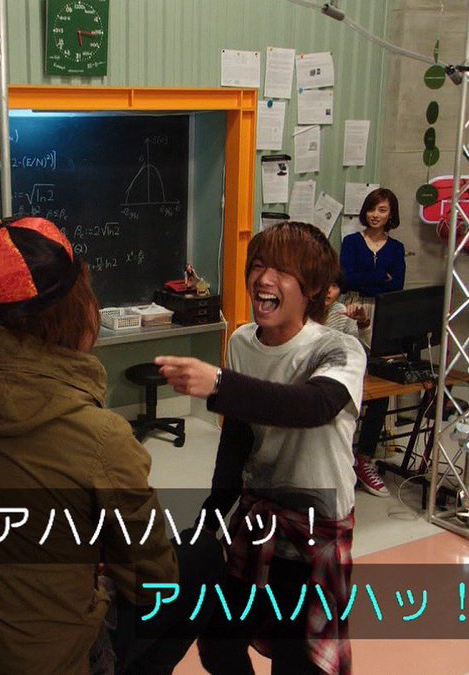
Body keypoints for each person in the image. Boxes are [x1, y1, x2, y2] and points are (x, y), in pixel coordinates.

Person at [0, 216, 221, 675]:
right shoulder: (99, 438)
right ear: (78, 309)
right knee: (201, 555)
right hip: (55, 662)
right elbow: (151, 583)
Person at [156, 221, 366, 674]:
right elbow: (238, 437)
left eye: (283, 271)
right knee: (218, 642)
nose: (264, 279)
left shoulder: (339, 349)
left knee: (297, 661)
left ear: (313, 287)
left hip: (315, 526)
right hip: (256, 517)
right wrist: (211, 518)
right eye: (258, 266)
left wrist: (220, 384)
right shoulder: (242, 342)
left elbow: (313, 405)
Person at [339, 187, 405, 498]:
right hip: (352, 308)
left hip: (386, 314)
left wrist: (370, 280)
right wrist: (381, 279)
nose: (375, 215)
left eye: (382, 210)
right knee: (351, 381)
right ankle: (343, 454)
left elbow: (398, 284)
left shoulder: (396, 247)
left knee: (380, 385)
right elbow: (346, 279)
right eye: (371, 209)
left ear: (391, 215)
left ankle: (365, 457)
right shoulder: (351, 242)